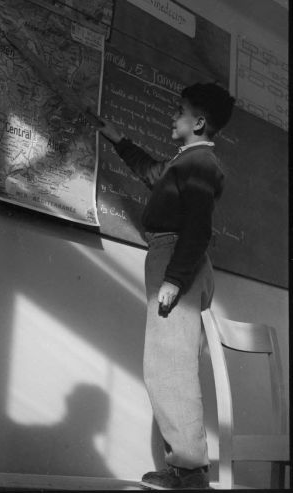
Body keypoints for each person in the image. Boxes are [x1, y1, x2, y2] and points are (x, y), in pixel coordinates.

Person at [97, 83, 235, 490]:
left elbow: (198, 228)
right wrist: (118, 139)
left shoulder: (202, 164)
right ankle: (186, 469)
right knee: (167, 363)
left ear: (199, 122)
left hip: (177, 257)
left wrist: (174, 280)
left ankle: (190, 472)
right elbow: (153, 174)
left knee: (168, 366)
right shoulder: (188, 161)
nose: (172, 117)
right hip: (171, 255)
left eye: (179, 111)